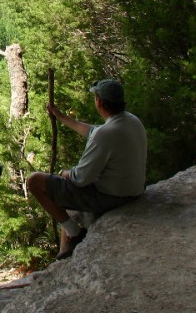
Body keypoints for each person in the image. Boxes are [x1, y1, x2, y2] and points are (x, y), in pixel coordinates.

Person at [24, 79, 147, 260]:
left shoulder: (105, 135)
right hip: (134, 191)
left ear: (99, 102)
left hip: (112, 198)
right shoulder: (131, 121)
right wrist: (61, 117)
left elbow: (80, 178)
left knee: (35, 181)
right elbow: (93, 132)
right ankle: (66, 249)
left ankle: (74, 232)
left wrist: (63, 173)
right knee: (69, 205)